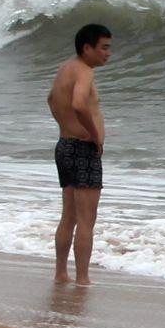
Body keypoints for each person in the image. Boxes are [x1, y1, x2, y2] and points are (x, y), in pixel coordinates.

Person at [47, 22, 113, 284]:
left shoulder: (66, 68)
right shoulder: (84, 71)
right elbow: (77, 104)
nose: (108, 53)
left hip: (64, 146)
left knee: (69, 216)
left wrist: (65, 125)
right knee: (86, 221)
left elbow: (51, 98)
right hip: (83, 149)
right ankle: (83, 279)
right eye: (104, 48)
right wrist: (94, 135)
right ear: (88, 48)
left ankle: (61, 273)